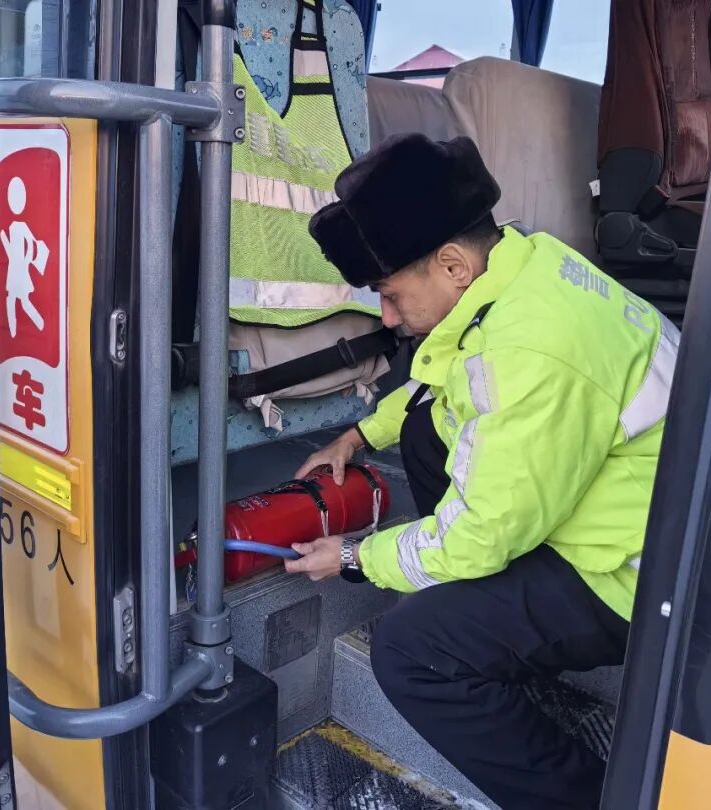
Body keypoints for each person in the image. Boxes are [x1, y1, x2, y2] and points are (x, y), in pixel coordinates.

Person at [283, 133, 678, 810]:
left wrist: (353, 556)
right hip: (633, 507)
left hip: (640, 574)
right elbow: (447, 368)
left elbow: (480, 535)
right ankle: (494, 636)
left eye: (390, 293)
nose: (385, 315)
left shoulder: (530, 349)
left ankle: (582, 798)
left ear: (451, 266)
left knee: (413, 653)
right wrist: (355, 435)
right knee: (421, 428)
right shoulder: (528, 264)